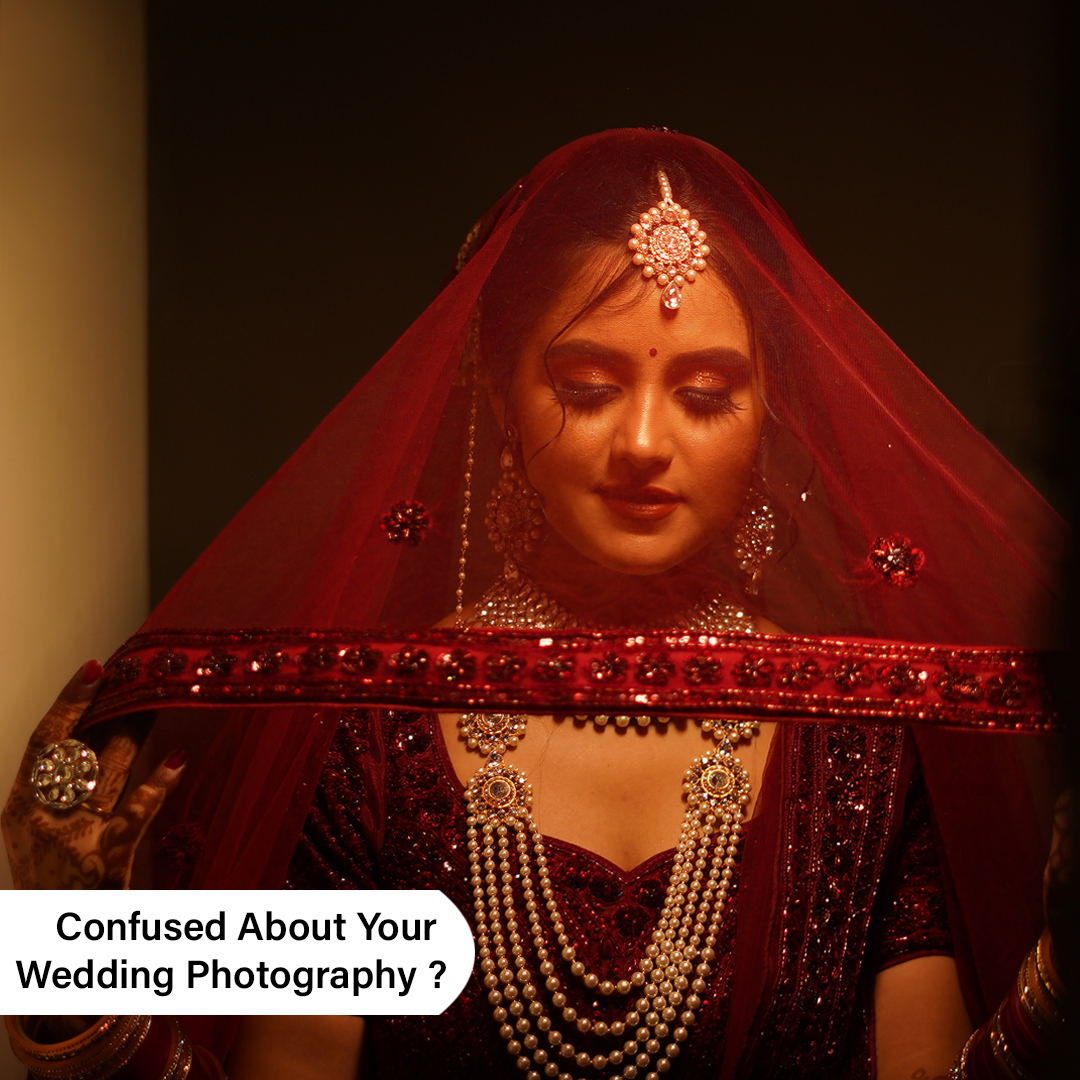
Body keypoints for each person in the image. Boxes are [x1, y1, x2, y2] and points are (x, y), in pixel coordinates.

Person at [3, 129, 1069, 1079]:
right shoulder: (377, 726)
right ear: (500, 390)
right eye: (588, 388)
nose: (643, 443)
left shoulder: (854, 739)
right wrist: (71, 980)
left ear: (767, 415)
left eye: (705, 396)